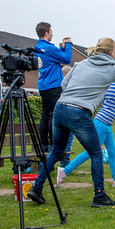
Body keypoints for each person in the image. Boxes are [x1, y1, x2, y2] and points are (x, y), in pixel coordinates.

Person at [27, 37, 115, 207]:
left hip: (60, 109)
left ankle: (36, 188)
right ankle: (99, 196)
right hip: (79, 112)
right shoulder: (112, 69)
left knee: (56, 152)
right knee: (96, 153)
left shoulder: (81, 64)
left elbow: (63, 83)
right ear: (111, 52)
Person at [57, 80, 115, 189]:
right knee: (91, 152)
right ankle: (65, 170)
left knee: (112, 152)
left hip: (102, 121)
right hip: (104, 123)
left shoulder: (107, 84)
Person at [35, 22, 73, 152]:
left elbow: (54, 58)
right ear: (46, 33)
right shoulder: (49, 48)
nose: (52, 34)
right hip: (53, 85)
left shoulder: (39, 47)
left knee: (44, 115)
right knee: (53, 115)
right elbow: (67, 59)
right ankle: (53, 144)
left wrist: (60, 48)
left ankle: (44, 144)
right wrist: (68, 45)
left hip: (43, 85)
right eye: (51, 32)